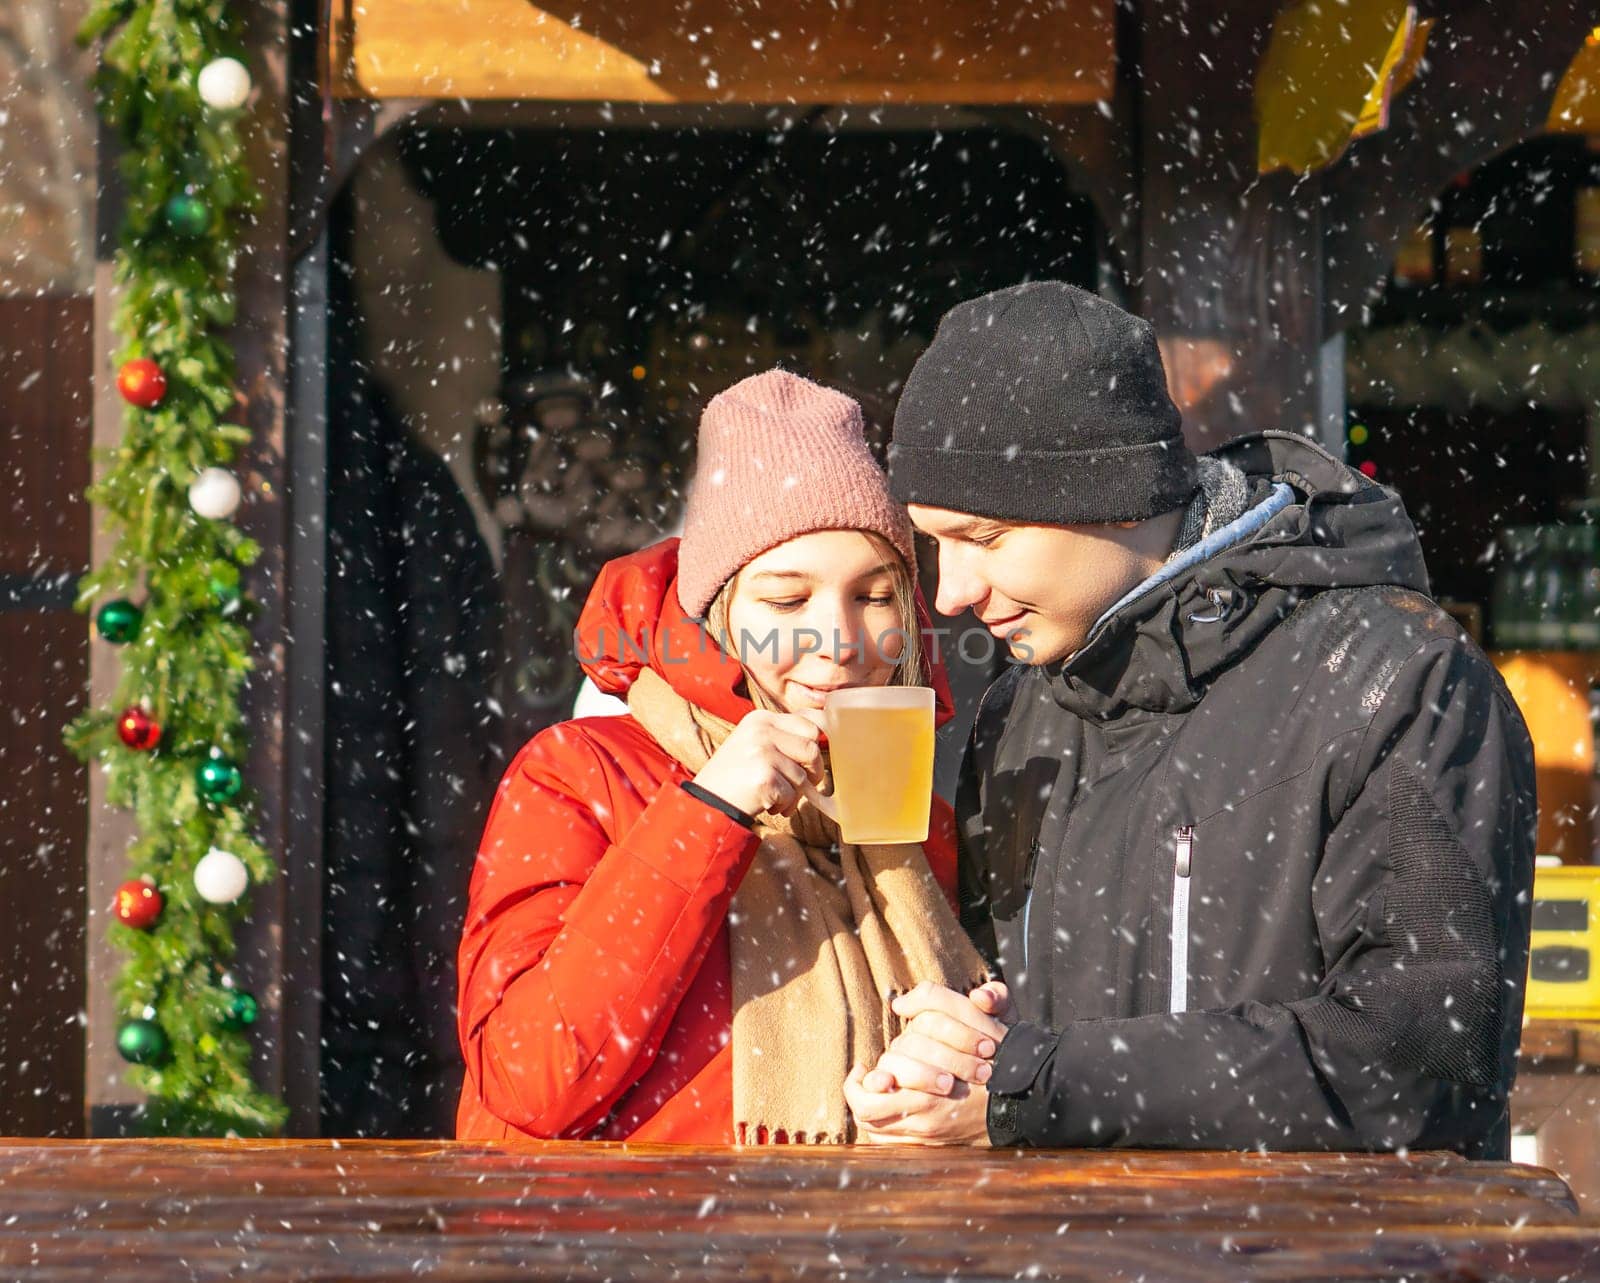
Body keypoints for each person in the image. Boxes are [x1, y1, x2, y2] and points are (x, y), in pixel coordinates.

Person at [841, 281, 1537, 1158]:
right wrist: (954, 1062)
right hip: (1065, 1250)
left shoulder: (1399, 679)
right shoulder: (1023, 707)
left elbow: (1418, 1057)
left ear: (1119, 493)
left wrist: (1037, 1084)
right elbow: (1016, 1027)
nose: (952, 591)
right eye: (935, 543)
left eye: (983, 537)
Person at [456, 368, 992, 1144]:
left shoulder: (920, 820)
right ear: (719, 614)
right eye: (786, 599)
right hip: (636, 1250)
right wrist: (710, 811)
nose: (838, 641)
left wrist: (967, 1082)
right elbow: (530, 1076)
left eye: (875, 596)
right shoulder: (576, 774)